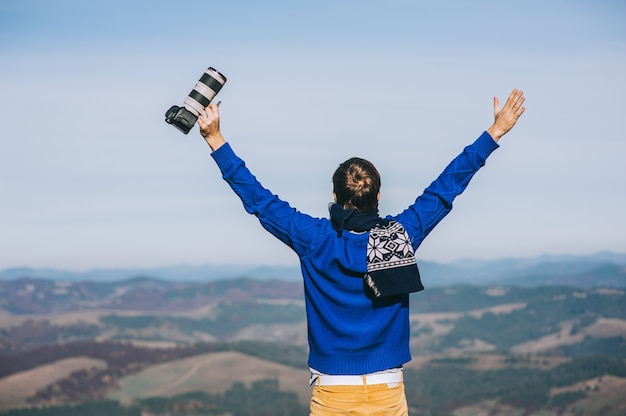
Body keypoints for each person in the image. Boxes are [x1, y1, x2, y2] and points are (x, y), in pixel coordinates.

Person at [197, 89, 526, 415]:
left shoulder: (314, 239)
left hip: (332, 391)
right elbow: (443, 190)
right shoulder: (400, 235)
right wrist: (493, 133)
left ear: (335, 196)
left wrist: (216, 140)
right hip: (387, 389)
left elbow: (261, 201)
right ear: (378, 196)